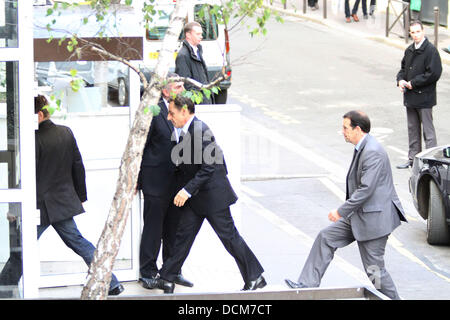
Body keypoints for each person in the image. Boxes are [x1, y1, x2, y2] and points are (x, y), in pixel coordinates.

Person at [0, 95, 123, 296]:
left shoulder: (34, 139)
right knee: (79, 242)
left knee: (21, 249)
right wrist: (81, 195)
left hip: (41, 207)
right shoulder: (66, 132)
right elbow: (78, 166)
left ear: (39, 114)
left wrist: (14, 207)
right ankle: (111, 282)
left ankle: (3, 289)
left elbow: (29, 177)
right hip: (63, 204)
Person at [285, 111, 407, 300]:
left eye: (345, 128)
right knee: (326, 237)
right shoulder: (363, 146)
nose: (342, 132)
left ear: (358, 129)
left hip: (375, 220)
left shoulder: (372, 151)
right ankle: (307, 286)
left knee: (375, 271)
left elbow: (366, 190)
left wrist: (340, 211)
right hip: (360, 215)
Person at [154, 95, 266, 294]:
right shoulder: (188, 131)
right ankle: (166, 278)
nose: (169, 118)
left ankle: (254, 277)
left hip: (212, 197)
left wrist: (186, 190)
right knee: (183, 237)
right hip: (199, 197)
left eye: (172, 113)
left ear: (185, 111)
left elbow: (210, 166)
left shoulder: (199, 131)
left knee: (229, 238)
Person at [137, 76, 193, 290]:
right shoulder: (154, 112)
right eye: (178, 86)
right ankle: (148, 272)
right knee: (154, 228)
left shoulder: (184, 111)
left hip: (177, 182)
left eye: (183, 86)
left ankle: (171, 271)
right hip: (156, 181)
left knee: (174, 228)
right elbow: (141, 146)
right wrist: (138, 179)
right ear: (167, 92)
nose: (183, 89)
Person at [396, 21, 442, 169]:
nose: (415, 35)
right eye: (413, 32)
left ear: (423, 32)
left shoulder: (431, 51)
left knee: (428, 132)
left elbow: (434, 73)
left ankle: (432, 162)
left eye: (418, 32)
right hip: (411, 96)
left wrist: (413, 83)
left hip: (424, 97)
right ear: (410, 34)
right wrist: (400, 80)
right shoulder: (409, 50)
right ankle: (413, 160)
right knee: (412, 129)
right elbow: (403, 69)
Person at [175, 21, 214, 104]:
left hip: (205, 99)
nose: (201, 37)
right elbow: (186, 84)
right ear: (188, 35)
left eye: (201, 34)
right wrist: (200, 101)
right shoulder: (183, 55)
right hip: (196, 104)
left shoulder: (198, 50)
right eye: (198, 34)